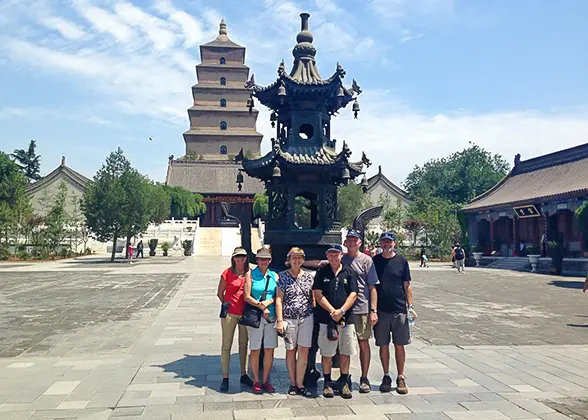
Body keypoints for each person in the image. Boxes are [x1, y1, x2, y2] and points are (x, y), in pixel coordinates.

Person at [373, 232, 416, 395]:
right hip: (382, 310)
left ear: (394, 244)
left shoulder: (401, 261)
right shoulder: (375, 261)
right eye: (383, 242)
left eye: (389, 242)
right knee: (383, 345)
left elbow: (407, 285)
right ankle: (385, 375)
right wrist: (373, 310)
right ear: (380, 244)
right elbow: (373, 286)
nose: (386, 244)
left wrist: (410, 306)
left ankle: (401, 376)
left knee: (400, 344)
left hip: (399, 309)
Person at [313, 244, 358, 399]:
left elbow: (353, 294)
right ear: (327, 256)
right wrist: (332, 311)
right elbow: (318, 294)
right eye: (330, 255)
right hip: (327, 319)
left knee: (345, 351)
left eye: (336, 255)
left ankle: (344, 381)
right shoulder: (321, 272)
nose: (333, 258)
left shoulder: (349, 272)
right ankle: (327, 382)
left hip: (346, 319)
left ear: (341, 255)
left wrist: (342, 311)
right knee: (327, 352)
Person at [342, 230, 378, 393]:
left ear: (359, 242)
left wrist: (373, 310)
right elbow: (322, 263)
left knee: (364, 343)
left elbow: (372, 287)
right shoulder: (341, 259)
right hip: (345, 308)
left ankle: (364, 377)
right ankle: (345, 376)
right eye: (348, 240)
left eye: (354, 240)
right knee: (345, 345)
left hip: (362, 307)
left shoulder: (366, 260)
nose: (351, 243)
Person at [276, 247, 315, 396]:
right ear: (289, 260)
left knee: (303, 351)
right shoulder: (283, 277)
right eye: (294, 257)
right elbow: (279, 299)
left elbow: (313, 298)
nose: (297, 260)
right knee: (291, 351)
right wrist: (280, 320)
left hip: (306, 317)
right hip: (289, 318)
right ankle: (292, 383)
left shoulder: (309, 277)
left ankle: (300, 383)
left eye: (299, 258)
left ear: (303, 260)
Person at [216, 247, 253, 392]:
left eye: (242, 256)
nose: (240, 259)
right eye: (237, 257)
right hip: (230, 313)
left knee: (244, 344)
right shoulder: (227, 273)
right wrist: (227, 304)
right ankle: (225, 377)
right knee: (227, 344)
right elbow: (220, 293)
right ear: (233, 258)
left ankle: (244, 374)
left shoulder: (249, 273)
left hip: (244, 313)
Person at [244, 248, 279, 394]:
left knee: (269, 349)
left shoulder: (274, 275)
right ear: (257, 260)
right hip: (256, 317)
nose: (263, 262)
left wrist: (268, 302)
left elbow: (278, 295)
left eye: (266, 259)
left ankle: (265, 380)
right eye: (260, 259)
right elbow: (247, 296)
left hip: (270, 317)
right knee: (255, 349)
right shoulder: (250, 274)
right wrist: (260, 305)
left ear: (270, 261)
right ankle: (256, 380)